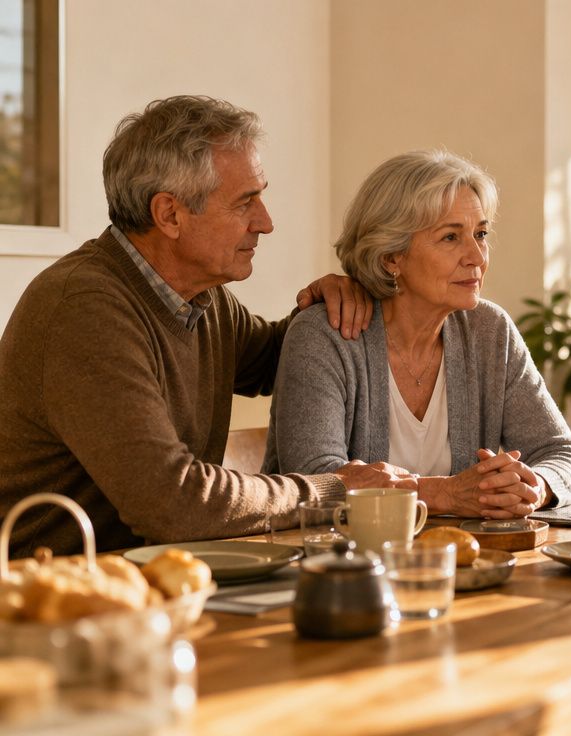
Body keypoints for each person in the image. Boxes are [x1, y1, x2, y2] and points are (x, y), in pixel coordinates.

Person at [0, 95, 418, 558]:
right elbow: (173, 503)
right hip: (46, 599)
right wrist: (333, 488)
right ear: (170, 215)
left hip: (149, 580)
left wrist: (334, 302)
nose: (266, 222)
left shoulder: (202, 299)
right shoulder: (83, 310)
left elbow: (282, 357)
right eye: (245, 203)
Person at [262, 150, 571, 517]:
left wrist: (534, 486)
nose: (477, 257)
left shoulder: (490, 332)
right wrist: (445, 494)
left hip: (457, 562)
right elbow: (315, 481)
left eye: (480, 234)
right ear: (391, 256)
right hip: (337, 567)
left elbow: (564, 455)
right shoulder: (326, 334)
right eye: (450, 238)